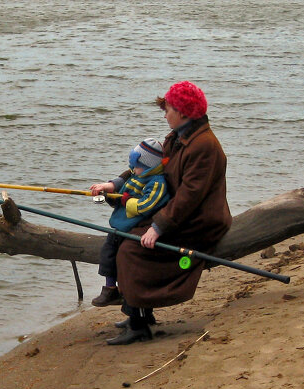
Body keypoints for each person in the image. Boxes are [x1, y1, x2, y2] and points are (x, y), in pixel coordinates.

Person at [92, 80, 232, 346]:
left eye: (167, 109)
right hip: (178, 213)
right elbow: (150, 168)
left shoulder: (204, 146)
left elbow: (190, 196)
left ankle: (138, 324)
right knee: (123, 235)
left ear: (183, 111)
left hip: (199, 222)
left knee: (131, 250)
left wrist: (158, 227)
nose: (164, 114)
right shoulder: (178, 137)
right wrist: (113, 185)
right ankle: (139, 309)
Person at [88, 137, 169, 308]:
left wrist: (127, 201)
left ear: (150, 166)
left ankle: (122, 296)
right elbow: (121, 193)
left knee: (123, 259)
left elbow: (147, 205)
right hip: (120, 226)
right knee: (107, 254)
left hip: (135, 227)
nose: (132, 169)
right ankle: (110, 288)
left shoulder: (157, 182)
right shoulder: (135, 176)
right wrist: (108, 194)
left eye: (137, 166)